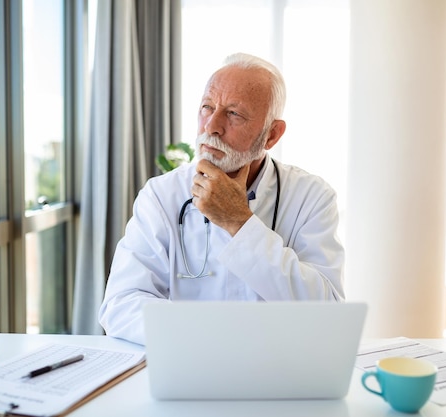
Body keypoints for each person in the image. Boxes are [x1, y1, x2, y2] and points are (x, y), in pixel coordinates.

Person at [99, 53, 345, 345]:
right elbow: (121, 304)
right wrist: (207, 337)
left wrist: (239, 222)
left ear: (272, 135)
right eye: (207, 107)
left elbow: (328, 312)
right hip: (189, 363)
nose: (211, 126)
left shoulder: (311, 197)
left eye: (233, 114)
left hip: (277, 369)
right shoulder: (160, 195)